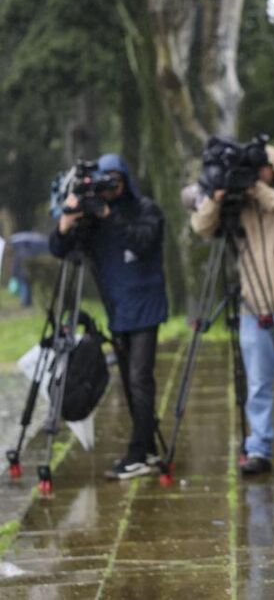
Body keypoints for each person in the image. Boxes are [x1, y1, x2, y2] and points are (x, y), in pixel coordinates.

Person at [190, 144, 274, 477]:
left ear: (273, 167)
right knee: (258, 384)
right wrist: (218, 197)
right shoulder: (238, 206)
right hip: (254, 304)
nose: (257, 174)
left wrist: (260, 191)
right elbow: (202, 227)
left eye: (263, 167)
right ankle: (259, 449)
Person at [49, 153, 168, 480]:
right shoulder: (93, 220)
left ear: (126, 179)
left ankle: (140, 452)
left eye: (115, 179)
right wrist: (67, 221)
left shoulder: (146, 209)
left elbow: (144, 241)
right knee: (131, 384)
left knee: (139, 380)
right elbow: (60, 249)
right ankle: (147, 446)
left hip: (146, 307)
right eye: (105, 180)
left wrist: (107, 214)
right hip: (117, 310)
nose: (110, 186)